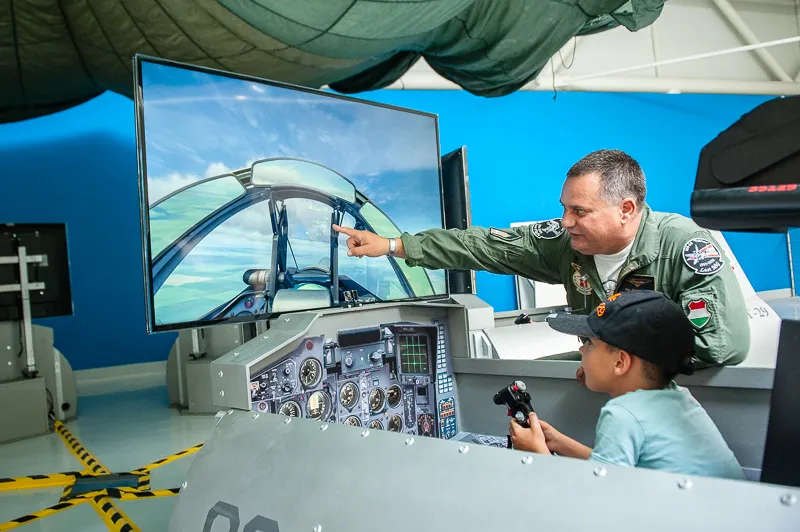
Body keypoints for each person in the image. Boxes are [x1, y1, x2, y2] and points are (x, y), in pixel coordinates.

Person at [333, 149, 750, 375]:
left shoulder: (684, 247)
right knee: (521, 385)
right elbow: (483, 246)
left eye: (580, 212)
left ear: (626, 209)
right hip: (605, 365)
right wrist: (392, 246)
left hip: (662, 381)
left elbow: (723, 346)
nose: (566, 222)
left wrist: (621, 356)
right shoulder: (568, 243)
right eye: (564, 209)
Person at [508, 290, 745, 480]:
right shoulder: (679, 397)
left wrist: (536, 454)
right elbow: (614, 471)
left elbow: (598, 499)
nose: (581, 349)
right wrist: (558, 442)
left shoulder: (622, 414)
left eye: (589, 343)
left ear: (620, 362)